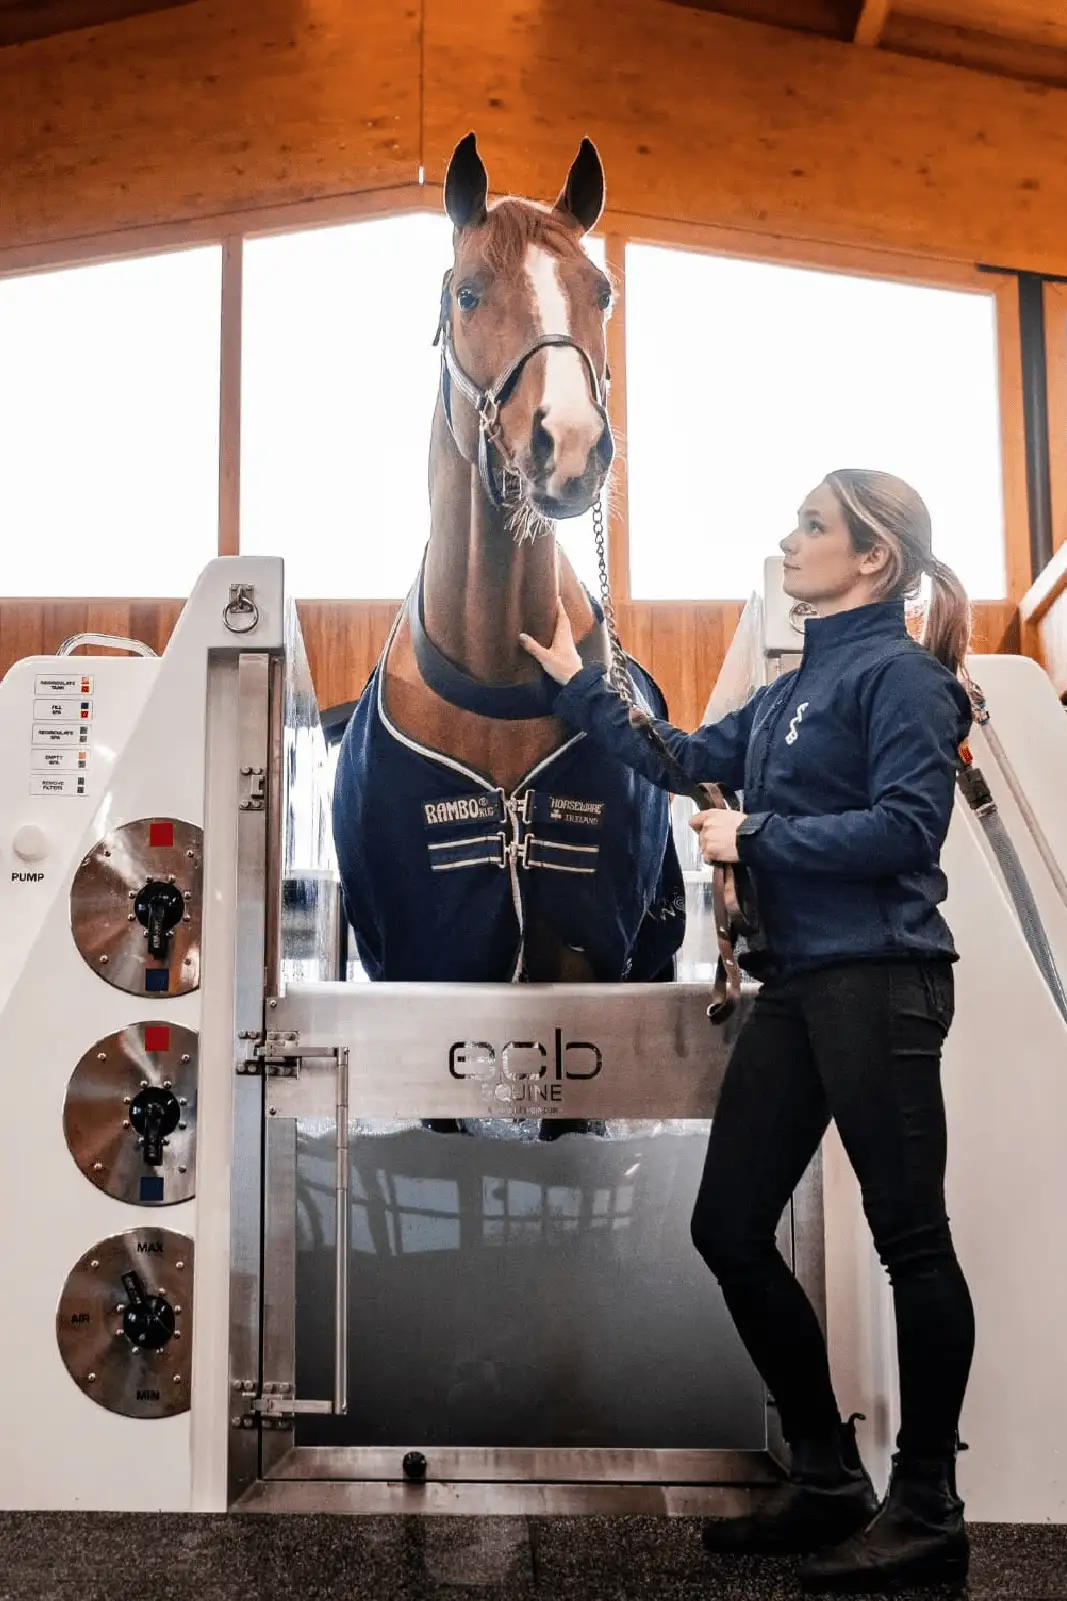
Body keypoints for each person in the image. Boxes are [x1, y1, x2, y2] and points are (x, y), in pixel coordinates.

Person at [519, 469, 976, 1594]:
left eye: (810, 526)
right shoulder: (787, 693)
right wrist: (583, 686)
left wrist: (753, 834)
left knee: (909, 1240)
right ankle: (826, 1474)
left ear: (871, 559)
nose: (787, 539)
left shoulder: (904, 679)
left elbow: (907, 831)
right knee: (727, 1224)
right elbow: (680, 758)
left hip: (879, 978)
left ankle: (926, 1503)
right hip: (799, 986)